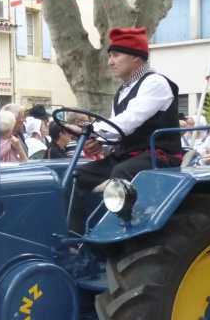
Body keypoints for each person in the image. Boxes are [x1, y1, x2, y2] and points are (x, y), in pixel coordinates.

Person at [72, 27, 181, 232]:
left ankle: (121, 233)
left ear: (135, 58)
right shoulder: (123, 90)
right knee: (77, 175)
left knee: (121, 171)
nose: (110, 62)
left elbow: (127, 121)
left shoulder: (155, 82)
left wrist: (88, 129)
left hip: (160, 155)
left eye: (115, 55)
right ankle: (73, 238)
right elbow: (120, 134)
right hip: (129, 155)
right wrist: (101, 145)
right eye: (110, 56)